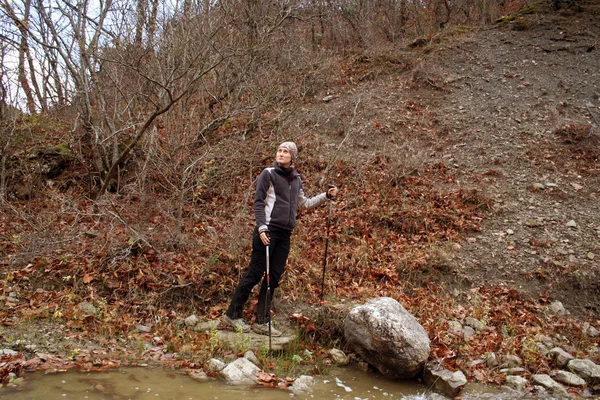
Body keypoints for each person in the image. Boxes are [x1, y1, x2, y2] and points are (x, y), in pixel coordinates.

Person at [222, 141, 338, 336]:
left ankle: (262, 321)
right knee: (255, 273)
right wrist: (261, 228)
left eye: (285, 152)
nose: (281, 154)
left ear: (292, 156)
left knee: (273, 277)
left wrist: (326, 196)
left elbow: (306, 203)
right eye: (279, 151)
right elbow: (258, 202)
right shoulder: (268, 174)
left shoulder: (296, 179)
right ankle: (232, 316)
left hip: (285, 234)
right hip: (267, 231)